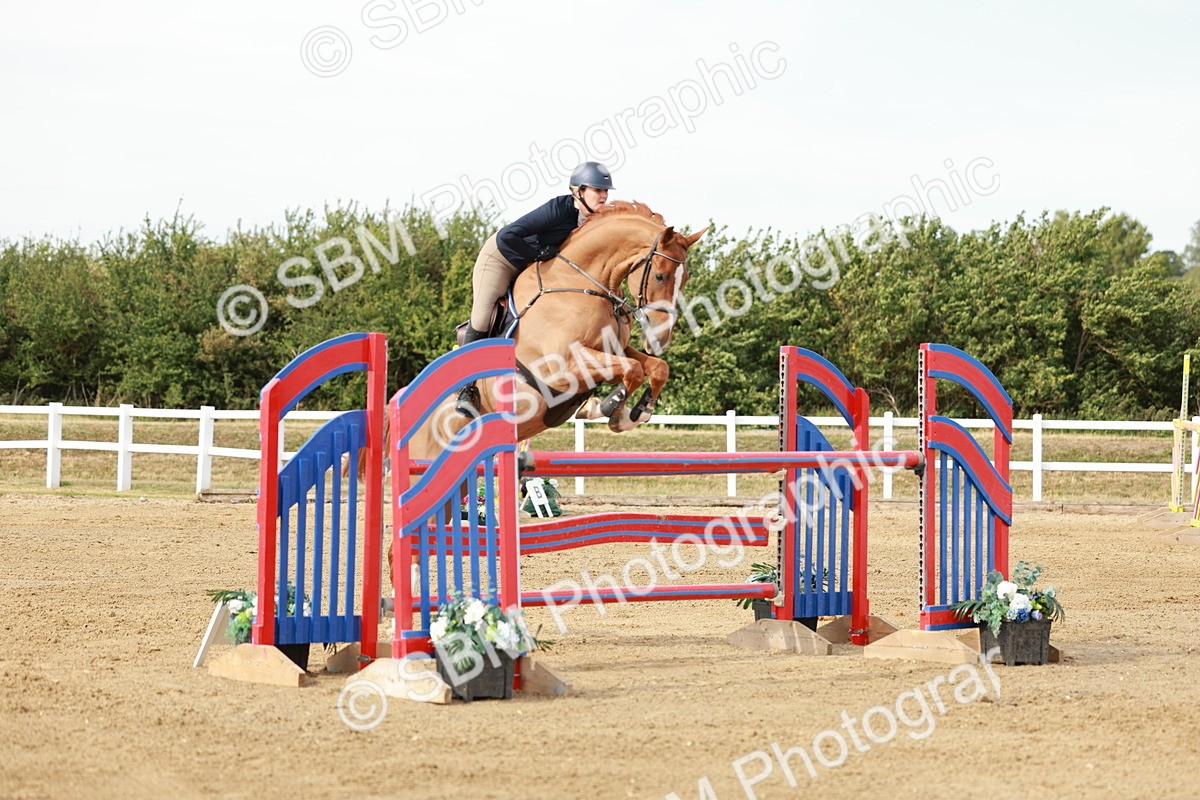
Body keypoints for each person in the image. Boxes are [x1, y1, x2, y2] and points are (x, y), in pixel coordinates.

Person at [455, 161, 614, 416]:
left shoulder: (595, 221)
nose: (604, 196)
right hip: (501, 259)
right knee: (484, 315)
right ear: (579, 191)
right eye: (598, 190)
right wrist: (539, 253)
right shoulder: (558, 209)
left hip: (534, 267)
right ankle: (465, 389)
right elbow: (509, 236)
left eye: (606, 191)